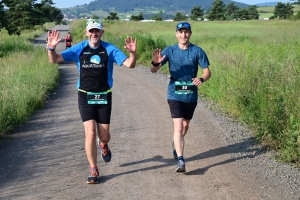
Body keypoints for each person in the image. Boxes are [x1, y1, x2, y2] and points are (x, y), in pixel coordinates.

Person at [46, 19, 137, 184]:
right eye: (91, 31)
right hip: (85, 95)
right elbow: (54, 59)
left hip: (104, 96)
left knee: (104, 136)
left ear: (102, 33)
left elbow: (130, 64)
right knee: (90, 133)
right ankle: (93, 169)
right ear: (87, 33)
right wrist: (51, 48)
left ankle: (103, 145)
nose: (94, 34)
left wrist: (133, 53)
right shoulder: (79, 49)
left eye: (97, 31)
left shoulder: (109, 49)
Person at [150, 22, 211, 173]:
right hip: (174, 94)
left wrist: (201, 79)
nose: (183, 35)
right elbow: (153, 70)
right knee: (178, 127)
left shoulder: (197, 51)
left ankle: (174, 142)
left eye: (186, 32)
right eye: (180, 32)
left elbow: (207, 72)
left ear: (190, 33)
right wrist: (155, 63)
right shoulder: (169, 51)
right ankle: (181, 160)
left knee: (185, 126)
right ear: (176, 34)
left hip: (191, 95)